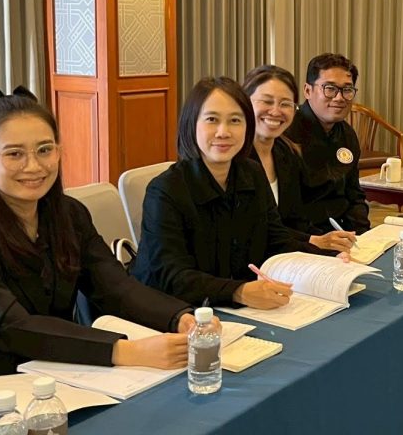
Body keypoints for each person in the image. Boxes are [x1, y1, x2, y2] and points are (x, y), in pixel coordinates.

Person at [0, 87, 206, 398]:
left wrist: (180, 318)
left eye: (44, 150)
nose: (33, 166)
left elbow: (116, 288)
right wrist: (126, 351)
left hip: (54, 376)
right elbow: (12, 326)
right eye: (14, 154)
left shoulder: (70, 214)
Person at [131, 77, 323, 311]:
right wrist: (238, 292)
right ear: (192, 124)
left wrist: (327, 258)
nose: (223, 132)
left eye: (235, 120)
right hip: (173, 314)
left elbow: (276, 239)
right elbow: (171, 277)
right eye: (212, 119)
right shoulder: (165, 190)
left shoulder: (251, 173)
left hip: (237, 310)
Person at [243, 65, 356, 253]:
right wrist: (314, 242)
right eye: (267, 101)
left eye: (285, 104)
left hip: (286, 253)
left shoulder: (286, 152)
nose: (275, 111)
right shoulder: (235, 158)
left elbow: (294, 220)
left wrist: (323, 242)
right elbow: (255, 229)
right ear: (244, 103)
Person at [284, 53, 371, 235]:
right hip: (304, 237)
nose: (339, 98)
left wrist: (362, 234)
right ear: (307, 91)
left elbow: (354, 195)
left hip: (343, 234)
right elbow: (288, 210)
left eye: (347, 90)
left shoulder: (347, 134)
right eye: (330, 88)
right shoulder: (287, 134)